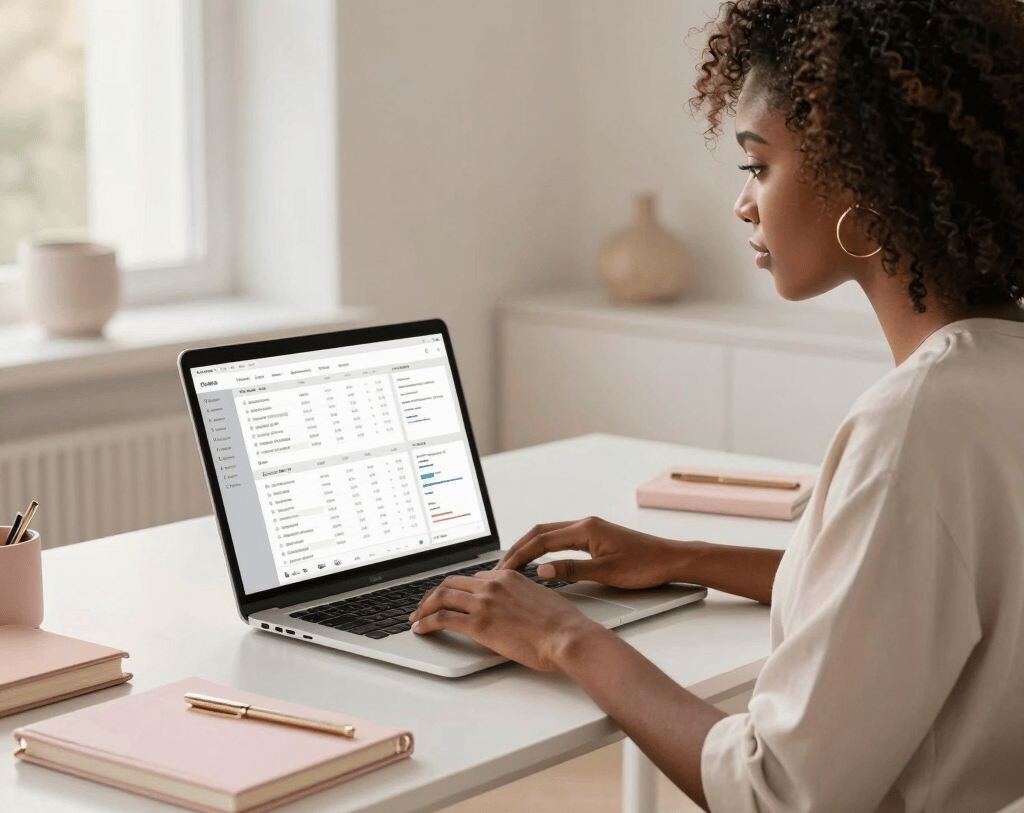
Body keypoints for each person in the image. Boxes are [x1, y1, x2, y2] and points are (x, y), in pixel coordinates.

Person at [410, 1, 1024, 810]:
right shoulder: (994, 376)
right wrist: (681, 556)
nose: (744, 205)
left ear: (864, 174)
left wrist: (564, 634)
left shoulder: (916, 423)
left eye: (757, 166)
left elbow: (775, 791)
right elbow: (909, 596)